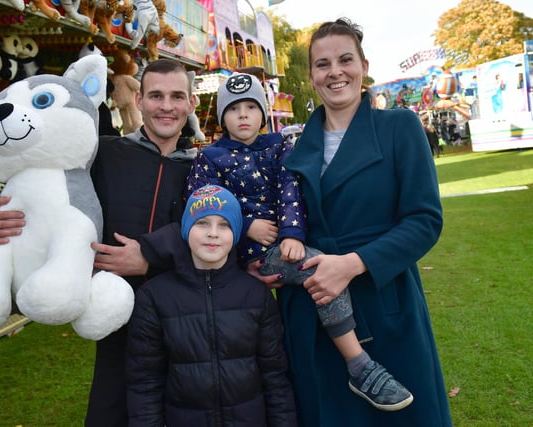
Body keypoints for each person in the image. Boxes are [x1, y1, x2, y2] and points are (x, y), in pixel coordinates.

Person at [246, 18, 452, 426]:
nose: (334, 71)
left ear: (363, 65)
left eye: (345, 59)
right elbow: (279, 218)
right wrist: (261, 261)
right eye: (322, 64)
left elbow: (425, 219)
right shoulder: (292, 146)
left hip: (382, 297)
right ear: (311, 75)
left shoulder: (399, 128)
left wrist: (353, 263)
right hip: (310, 306)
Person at [0, 58, 199, 427]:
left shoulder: (200, 166)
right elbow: (45, 191)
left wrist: (149, 257)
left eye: (177, 96)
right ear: (139, 100)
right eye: (156, 95)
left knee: (181, 404)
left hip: (179, 305)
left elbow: (208, 229)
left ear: (190, 103)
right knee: (112, 406)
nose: (167, 106)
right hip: (112, 307)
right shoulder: (104, 153)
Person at [186, 72, 413, 411]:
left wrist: (292, 235)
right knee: (314, 274)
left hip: (281, 244)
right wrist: (246, 225)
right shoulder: (211, 157)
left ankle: (353, 358)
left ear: (264, 113)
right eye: (234, 110)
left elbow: (290, 192)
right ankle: (358, 364)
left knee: (315, 267)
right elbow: (202, 203)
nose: (244, 115)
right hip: (239, 252)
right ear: (222, 117)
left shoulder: (278, 147)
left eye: (251, 107)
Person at [126, 185, 297, 426]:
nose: (213, 233)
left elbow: (275, 377)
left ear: (235, 233)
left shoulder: (256, 295)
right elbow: (145, 382)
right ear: (186, 229)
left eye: (224, 225)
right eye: (202, 223)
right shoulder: (154, 297)